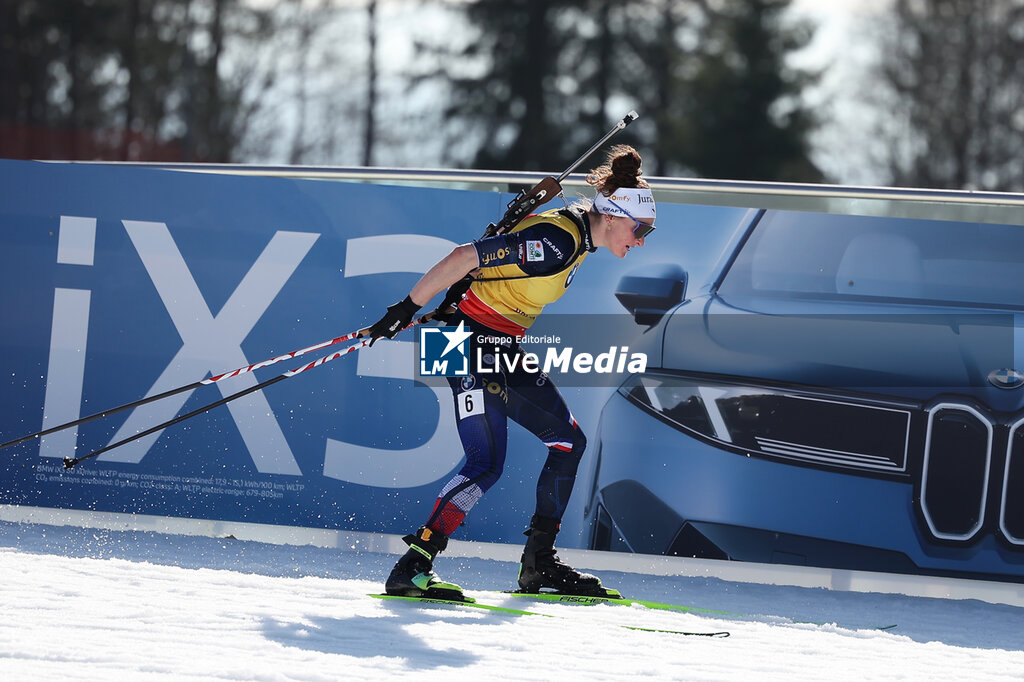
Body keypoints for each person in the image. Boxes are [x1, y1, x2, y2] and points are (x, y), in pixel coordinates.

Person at [366, 144, 656, 599]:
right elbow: (465, 257)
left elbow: (484, 268)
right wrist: (404, 309)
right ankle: (413, 567)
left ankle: (538, 565)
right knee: (488, 462)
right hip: (468, 341)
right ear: (615, 215)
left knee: (566, 443)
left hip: (483, 340)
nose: (640, 240)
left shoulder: (576, 239)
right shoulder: (560, 242)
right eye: (641, 229)